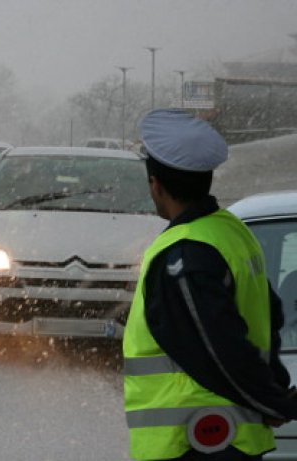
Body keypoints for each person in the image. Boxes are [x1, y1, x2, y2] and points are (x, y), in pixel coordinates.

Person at [123, 109, 297, 461]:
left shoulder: (184, 255)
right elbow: (267, 315)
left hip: (197, 439)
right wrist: (273, 386)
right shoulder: (228, 230)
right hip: (224, 437)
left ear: (155, 184)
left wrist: (272, 400)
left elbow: (217, 347)